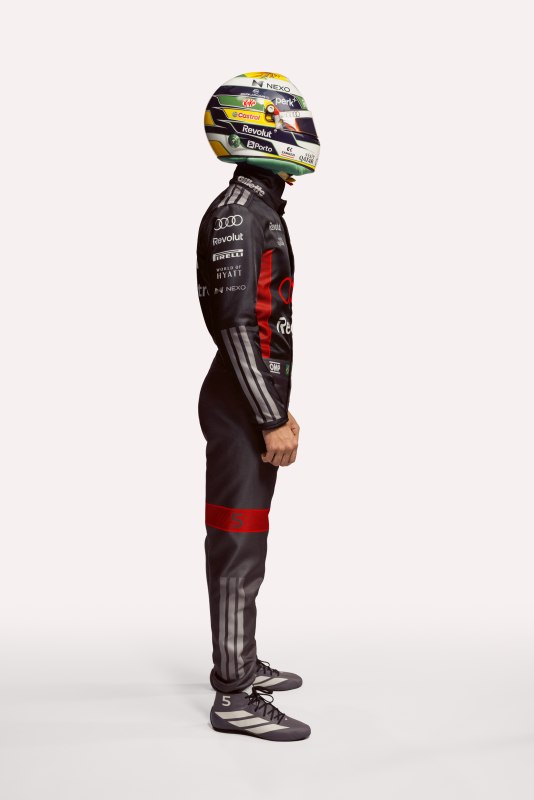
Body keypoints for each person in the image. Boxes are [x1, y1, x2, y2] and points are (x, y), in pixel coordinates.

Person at [196, 72, 320, 742]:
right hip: (240, 404)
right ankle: (234, 696)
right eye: (289, 121)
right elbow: (238, 325)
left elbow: (265, 325)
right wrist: (269, 415)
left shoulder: (259, 206)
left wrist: (277, 406)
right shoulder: (240, 213)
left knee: (249, 544)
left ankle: (240, 661)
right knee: (238, 545)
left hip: (249, 397)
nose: (302, 133)